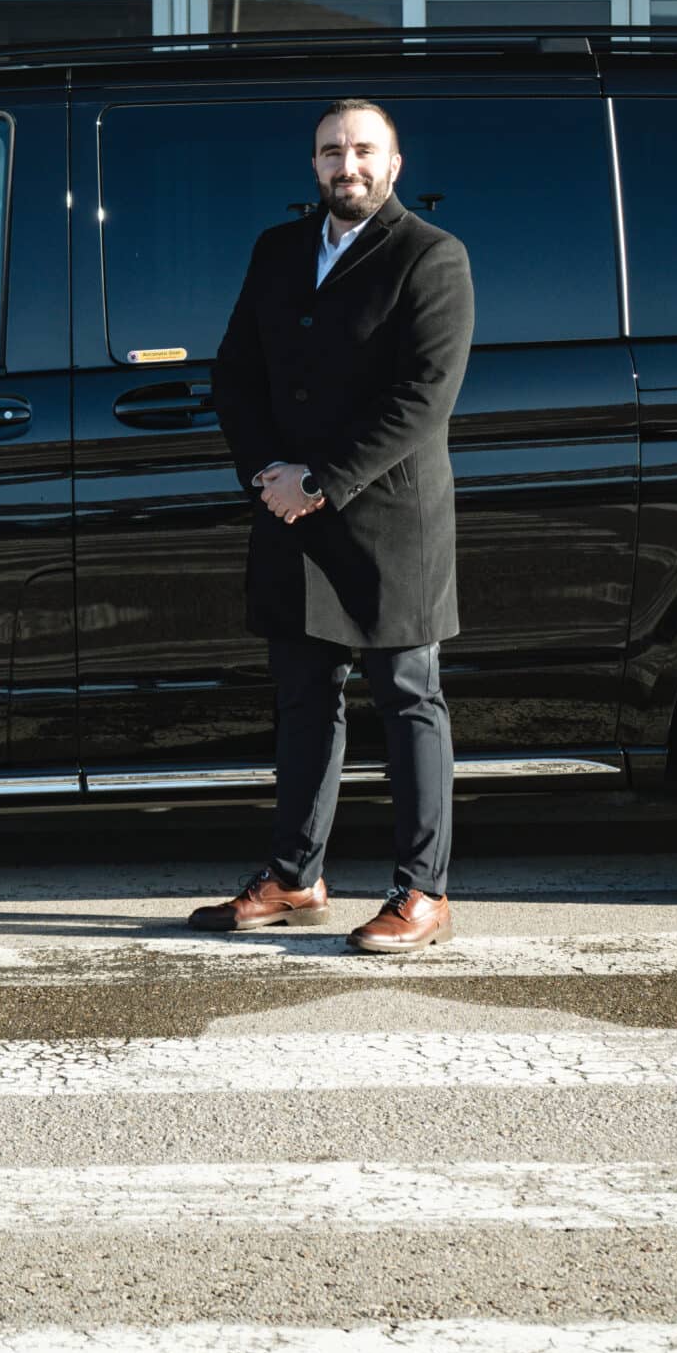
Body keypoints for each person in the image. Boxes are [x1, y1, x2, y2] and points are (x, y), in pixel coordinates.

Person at [188, 98, 475, 953]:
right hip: (291, 513)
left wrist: (321, 478)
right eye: (328, 152)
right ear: (312, 165)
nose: (343, 166)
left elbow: (423, 399)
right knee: (304, 699)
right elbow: (236, 372)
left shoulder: (432, 256)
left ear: (394, 164)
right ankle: (293, 874)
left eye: (360, 151)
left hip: (389, 518)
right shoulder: (278, 250)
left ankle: (422, 893)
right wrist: (266, 476)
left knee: (408, 699)